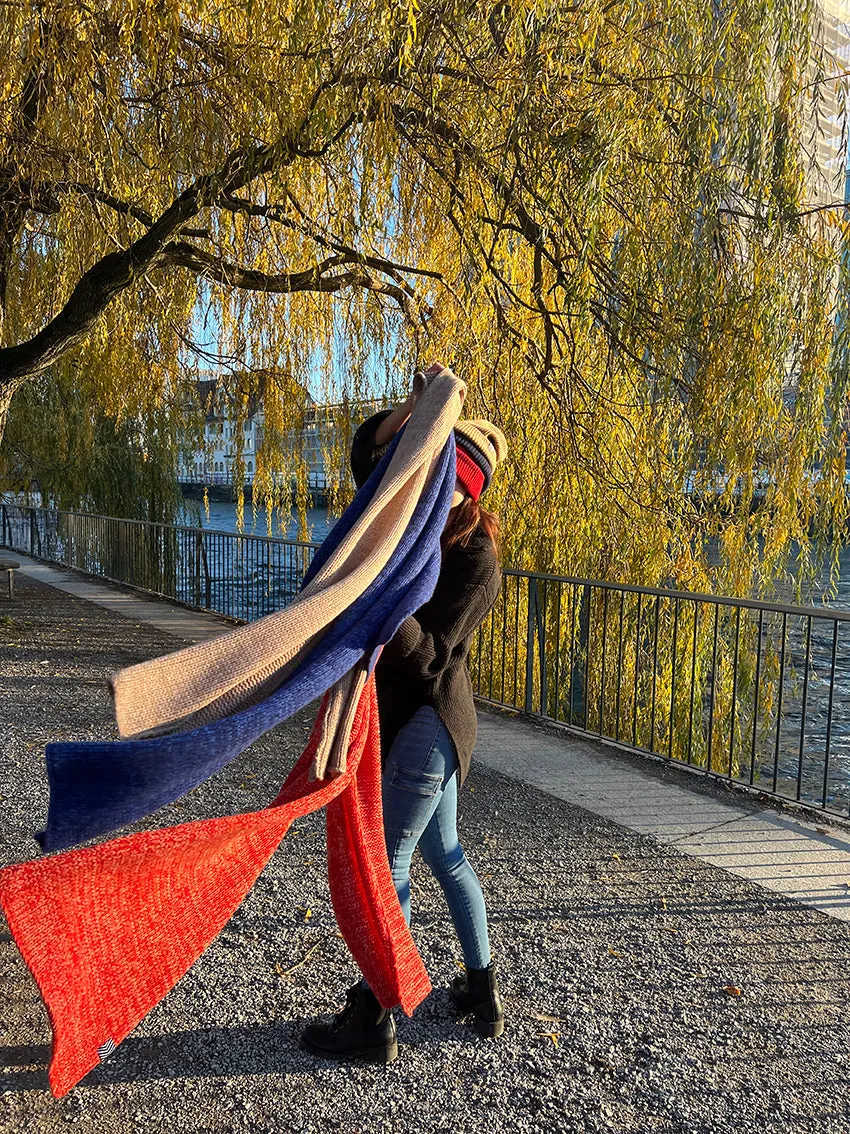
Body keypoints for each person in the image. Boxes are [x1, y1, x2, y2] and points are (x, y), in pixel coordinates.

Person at [300, 364, 508, 1063]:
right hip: (409, 715)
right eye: (426, 472)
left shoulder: (476, 561)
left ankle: (375, 1017)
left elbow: (427, 659)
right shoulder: (407, 512)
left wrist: (392, 588)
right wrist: (417, 409)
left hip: (434, 721)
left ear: (468, 492)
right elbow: (365, 452)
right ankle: (480, 993)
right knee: (445, 853)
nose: (426, 489)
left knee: (388, 862)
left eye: (444, 482)